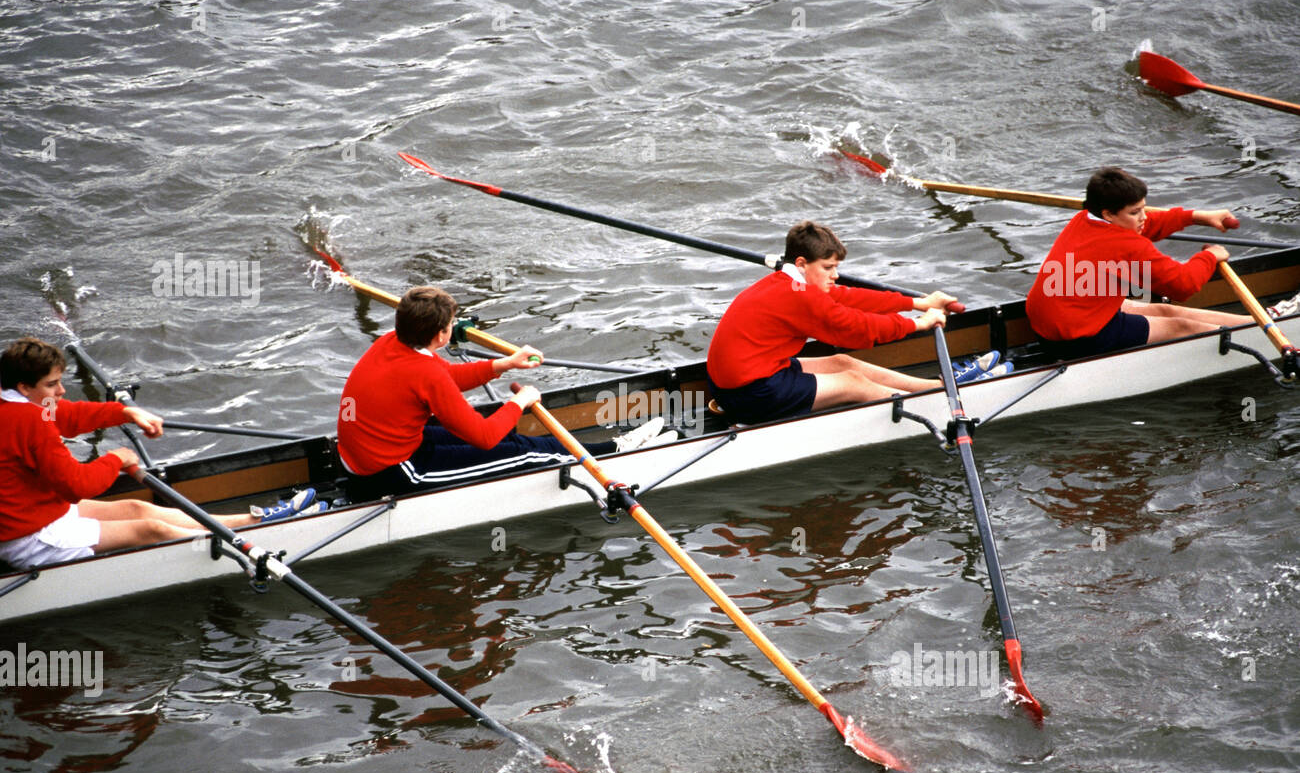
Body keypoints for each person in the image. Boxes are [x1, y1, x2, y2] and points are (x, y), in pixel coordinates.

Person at [0, 338, 318, 571]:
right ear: (24, 387)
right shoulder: (31, 421)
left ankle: (255, 521)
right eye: (52, 384)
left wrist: (126, 412)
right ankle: (247, 551)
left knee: (138, 507)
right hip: (32, 537)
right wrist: (118, 459)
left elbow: (68, 415)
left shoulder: (17, 402)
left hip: (34, 512)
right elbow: (77, 486)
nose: (61, 391)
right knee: (150, 529)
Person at [336, 286, 675, 502]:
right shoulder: (422, 370)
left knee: (507, 433)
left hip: (379, 448)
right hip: (392, 473)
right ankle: (616, 453)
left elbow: (446, 376)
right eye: (453, 325)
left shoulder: (391, 342)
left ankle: (611, 446)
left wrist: (504, 364)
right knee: (525, 453)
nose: (454, 329)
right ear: (440, 336)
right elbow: (483, 438)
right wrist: (519, 401)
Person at [705, 220, 1008, 425]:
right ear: (801, 264)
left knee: (843, 362)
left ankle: (940, 386)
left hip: (746, 376)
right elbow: (859, 330)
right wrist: (918, 324)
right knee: (854, 384)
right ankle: (942, 408)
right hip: (750, 394)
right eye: (828, 268)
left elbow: (847, 297)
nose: (834, 275)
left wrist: (917, 303)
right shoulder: (799, 297)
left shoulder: (788, 281)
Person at [1026, 166, 1254, 359]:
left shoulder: (1084, 219)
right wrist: (1210, 256)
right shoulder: (1126, 244)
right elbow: (1183, 285)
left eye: (1144, 208)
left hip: (1048, 325)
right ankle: (1258, 333)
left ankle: (1255, 320)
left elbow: (1145, 224)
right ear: (1108, 214)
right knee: (1180, 327)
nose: (1143, 216)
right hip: (1078, 339)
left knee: (1163, 310)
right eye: (1136, 212)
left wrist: (1195, 217)